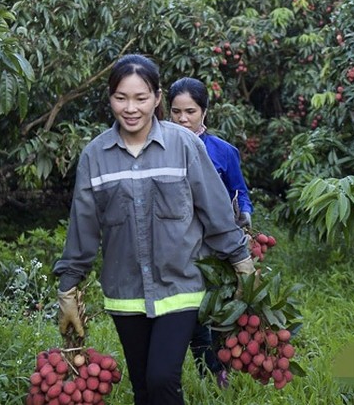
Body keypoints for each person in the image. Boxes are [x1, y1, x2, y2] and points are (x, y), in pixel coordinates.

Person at [53, 54, 256, 405]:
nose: (130, 108)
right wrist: (69, 288)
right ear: (110, 98)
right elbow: (83, 227)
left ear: (157, 98)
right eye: (121, 98)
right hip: (126, 293)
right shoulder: (95, 155)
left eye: (141, 98)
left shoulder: (184, 145)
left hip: (181, 286)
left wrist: (241, 261)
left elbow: (215, 209)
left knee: (163, 379)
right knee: (144, 387)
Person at [168, 77, 255, 387]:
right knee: (192, 314)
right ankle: (212, 374)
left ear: (204, 111)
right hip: (177, 248)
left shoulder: (223, 151)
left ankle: (219, 371)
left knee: (215, 313)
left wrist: (244, 214)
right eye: (176, 112)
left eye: (189, 111)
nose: (182, 119)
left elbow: (239, 191)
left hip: (215, 249)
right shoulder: (161, 150)